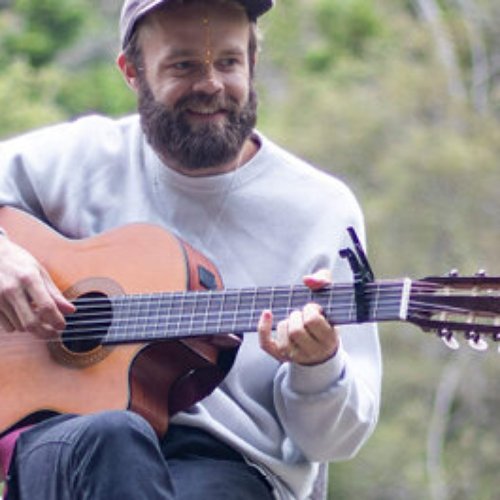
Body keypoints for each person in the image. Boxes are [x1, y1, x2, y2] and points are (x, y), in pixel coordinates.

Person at [0, 0, 382, 498]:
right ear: (132, 72)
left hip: (231, 463)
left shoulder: (321, 208)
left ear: (253, 62)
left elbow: (334, 442)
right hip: (73, 441)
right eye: (184, 65)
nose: (211, 84)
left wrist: (318, 365)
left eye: (228, 62)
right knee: (115, 436)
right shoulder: (84, 156)